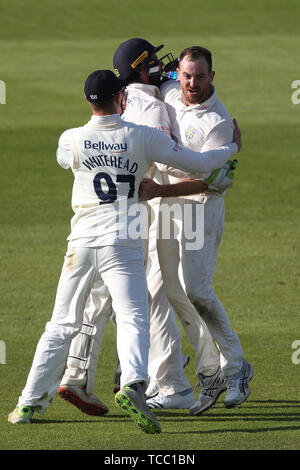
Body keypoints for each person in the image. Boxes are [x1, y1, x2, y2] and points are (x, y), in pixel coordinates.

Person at [8, 69, 241, 433]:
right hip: (125, 243)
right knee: (134, 316)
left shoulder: (71, 138)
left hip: (81, 243)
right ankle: (133, 383)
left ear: (87, 100)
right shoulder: (143, 136)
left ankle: (27, 403)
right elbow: (200, 164)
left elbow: (62, 158)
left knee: (61, 323)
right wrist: (232, 148)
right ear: (122, 98)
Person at [57, 38, 230, 414]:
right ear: (140, 68)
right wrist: (225, 155)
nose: (163, 65)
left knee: (109, 299)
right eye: (153, 60)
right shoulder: (151, 105)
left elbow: (169, 77)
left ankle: (84, 375)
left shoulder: (132, 94)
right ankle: (172, 378)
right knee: (151, 297)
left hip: (104, 217)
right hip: (146, 212)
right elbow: (172, 161)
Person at [139, 46, 253, 414]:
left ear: (212, 77)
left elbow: (205, 181)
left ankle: (236, 369)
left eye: (199, 76)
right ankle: (209, 372)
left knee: (196, 290)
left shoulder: (218, 123)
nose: (191, 83)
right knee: (167, 291)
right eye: (186, 75)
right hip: (166, 209)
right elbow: (158, 75)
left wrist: (158, 189)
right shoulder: (172, 88)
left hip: (199, 211)